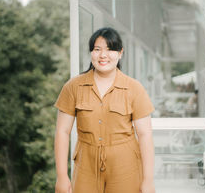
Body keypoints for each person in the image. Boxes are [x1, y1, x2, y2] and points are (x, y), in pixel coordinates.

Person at [54, 27, 156, 193]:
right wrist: (61, 176)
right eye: (97, 49)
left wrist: (148, 180)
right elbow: (62, 131)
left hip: (126, 167)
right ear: (91, 52)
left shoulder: (134, 88)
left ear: (120, 53)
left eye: (110, 50)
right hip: (85, 166)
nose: (103, 55)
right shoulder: (73, 87)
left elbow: (145, 134)